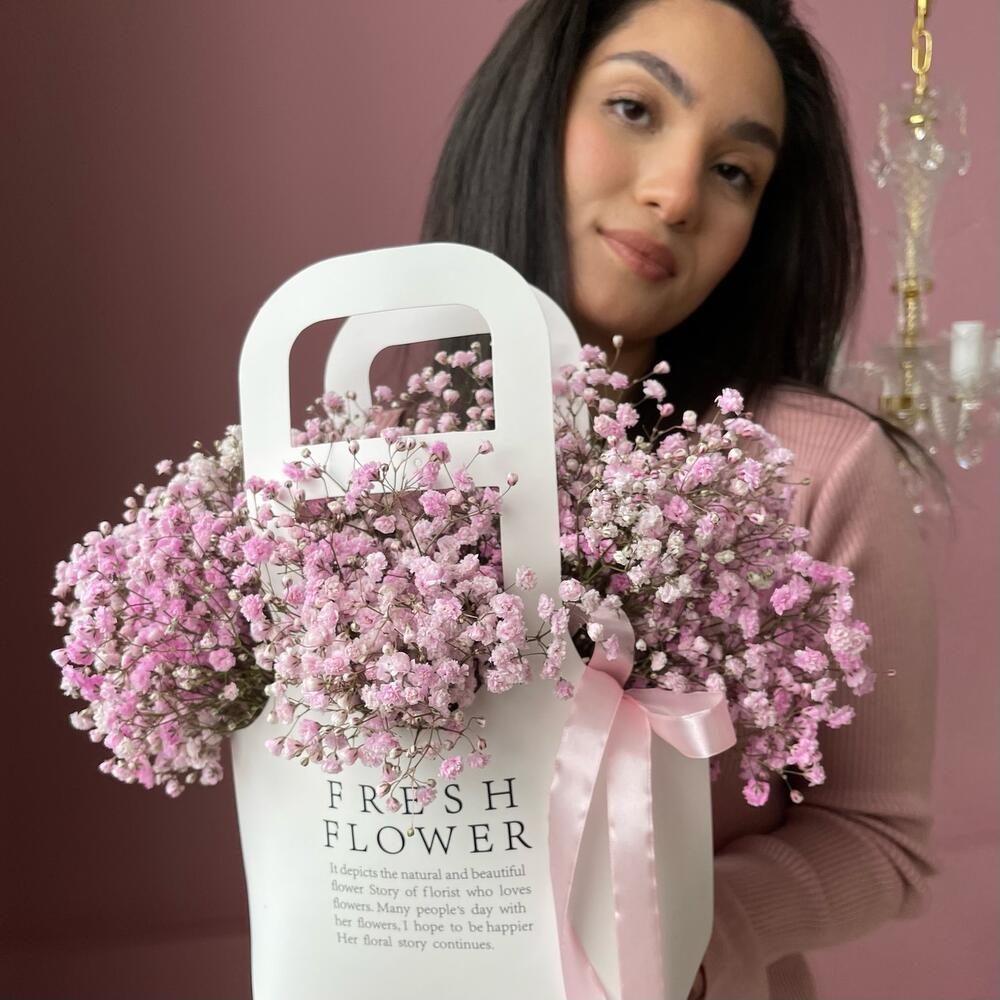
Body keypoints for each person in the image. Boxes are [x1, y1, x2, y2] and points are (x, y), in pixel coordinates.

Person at [417, 1, 940, 998]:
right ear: (531, 115)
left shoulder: (821, 469)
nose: (674, 194)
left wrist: (680, 938)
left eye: (734, 171)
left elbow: (881, 841)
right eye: (634, 109)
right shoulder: (376, 463)